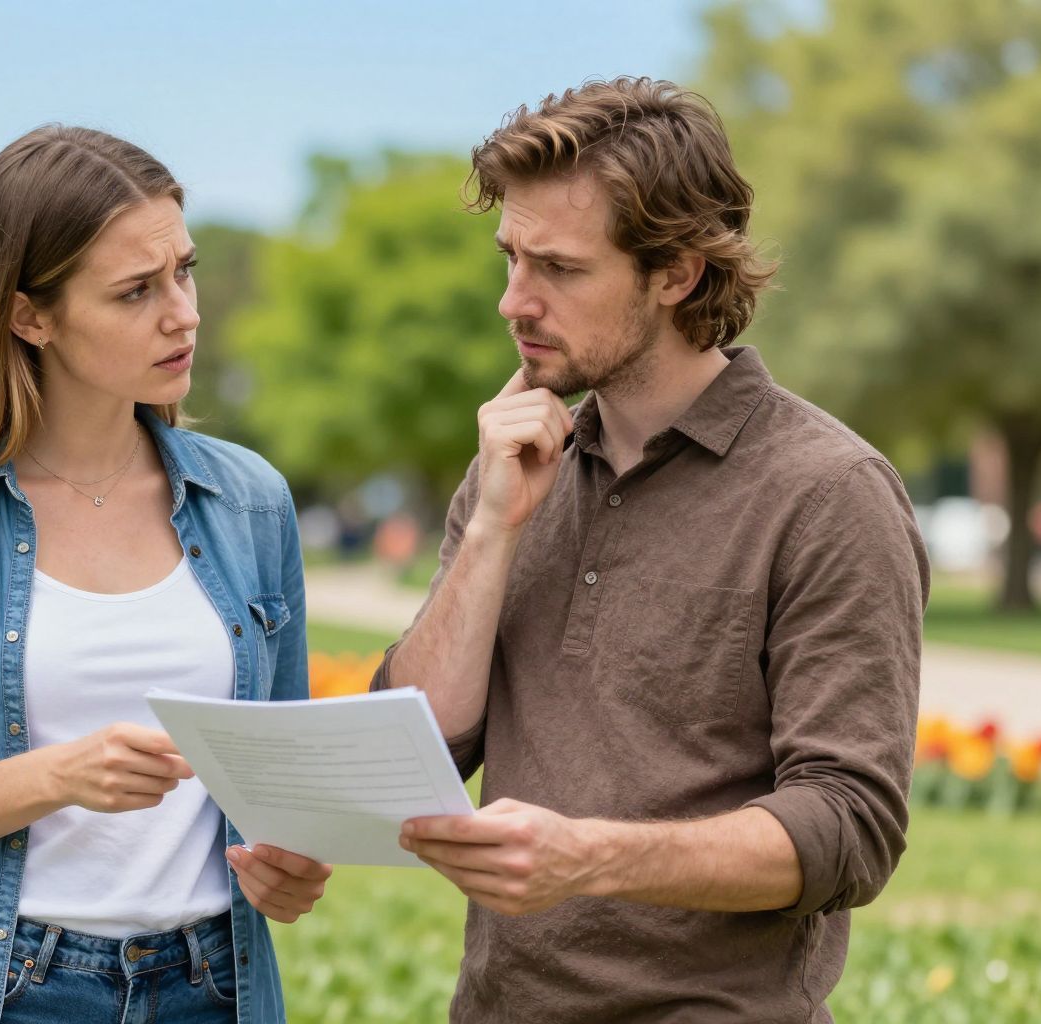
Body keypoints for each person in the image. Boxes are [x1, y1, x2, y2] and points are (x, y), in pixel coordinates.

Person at [373, 77, 930, 1022]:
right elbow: (414, 750)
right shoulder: (512, 465)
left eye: (560, 269)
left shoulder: (829, 493)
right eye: (511, 258)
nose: (513, 302)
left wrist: (590, 857)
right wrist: (492, 531)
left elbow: (849, 826)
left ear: (676, 273)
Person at [0, 125, 330, 1024]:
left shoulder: (250, 502)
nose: (183, 314)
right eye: (135, 291)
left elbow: (280, 787)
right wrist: (55, 777)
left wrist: (292, 863)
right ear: (28, 316)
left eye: (185, 271)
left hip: (216, 988)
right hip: (0, 992)